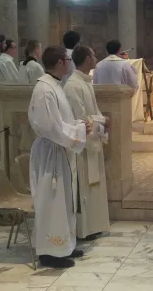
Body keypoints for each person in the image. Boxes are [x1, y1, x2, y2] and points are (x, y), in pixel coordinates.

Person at [28, 46, 90, 269]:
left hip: (59, 150)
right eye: (68, 59)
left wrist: (80, 125)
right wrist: (80, 132)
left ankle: (64, 245)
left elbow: (61, 121)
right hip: (51, 153)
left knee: (65, 201)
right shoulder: (45, 89)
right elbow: (51, 127)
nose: (71, 63)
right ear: (60, 62)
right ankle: (49, 252)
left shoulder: (55, 85)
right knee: (52, 202)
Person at [64, 46, 110, 241]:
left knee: (95, 185)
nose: (96, 57)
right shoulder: (73, 85)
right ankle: (84, 230)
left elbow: (95, 112)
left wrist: (102, 122)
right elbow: (81, 118)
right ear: (86, 59)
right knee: (84, 187)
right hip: (82, 146)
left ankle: (94, 226)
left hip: (93, 142)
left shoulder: (86, 82)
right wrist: (103, 122)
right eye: (93, 55)